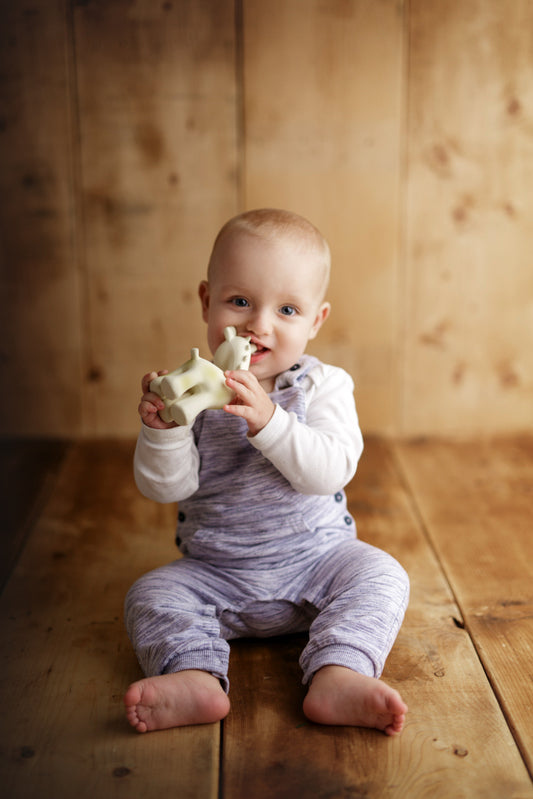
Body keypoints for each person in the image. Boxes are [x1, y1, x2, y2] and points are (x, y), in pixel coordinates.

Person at [124, 208, 410, 736]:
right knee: (149, 595)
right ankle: (193, 676)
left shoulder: (323, 386)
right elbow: (167, 488)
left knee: (382, 575)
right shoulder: (194, 391)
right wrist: (163, 431)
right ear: (207, 301)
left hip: (317, 564)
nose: (259, 324)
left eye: (287, 309)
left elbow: (330, 471)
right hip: (217, 573)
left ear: (316, 321)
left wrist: (270, 421)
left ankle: (339, 671)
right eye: (239, 301)